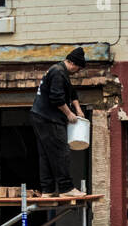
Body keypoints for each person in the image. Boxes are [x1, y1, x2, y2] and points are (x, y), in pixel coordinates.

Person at [30, 47, 87, 198]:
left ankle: (47, 190)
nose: (78, 71)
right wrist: (69, 114)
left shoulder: (60, 71)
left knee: (46, 153)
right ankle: (66, 188)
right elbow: (56, 98)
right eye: (79, 68)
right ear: (73, 63)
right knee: (61, 151)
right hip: (48, 118)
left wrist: (78, 109)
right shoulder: (58, 72)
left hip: (40, 116)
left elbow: (72, 92)